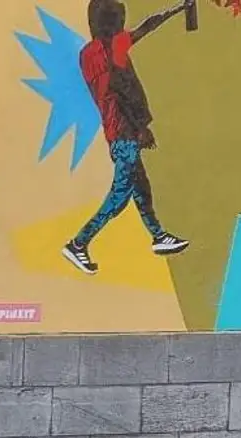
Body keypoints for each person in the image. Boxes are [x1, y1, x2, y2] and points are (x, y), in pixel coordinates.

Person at [63, 0, 191, 275]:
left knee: (140, 186)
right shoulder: (115, 47)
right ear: (113, 22)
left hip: (114, 130)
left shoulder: (88, 54)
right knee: (121, 193)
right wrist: (141, 126)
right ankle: (78, 243)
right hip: (125, 131)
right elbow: (124, 87)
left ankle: (158, 236)